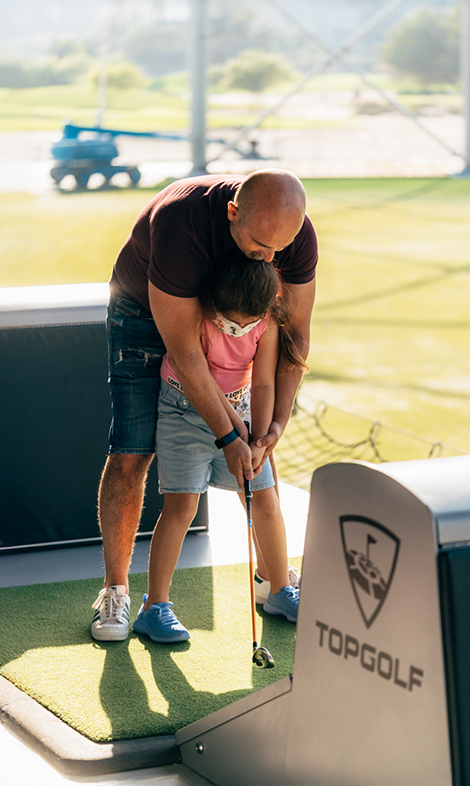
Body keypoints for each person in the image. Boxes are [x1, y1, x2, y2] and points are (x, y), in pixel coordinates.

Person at [91, 170, 317, 642]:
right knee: (132, 451)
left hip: (230, 316)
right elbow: (187, 357)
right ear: (233, 213)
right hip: (143, 311)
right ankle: (117, 591)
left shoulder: (290, 239)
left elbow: (294, 334)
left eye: (280, 248)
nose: (271, 257)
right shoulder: (183, 224)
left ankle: (274, 582)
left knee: (260, 472)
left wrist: (272, 429)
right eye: (260, 245)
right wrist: (231, 436)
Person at [133, 261, 307, 642]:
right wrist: (233, 435)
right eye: (230, 324)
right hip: (184, 409)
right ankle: (154, 607)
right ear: (215, 307)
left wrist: (260, 439)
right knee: (182, 506)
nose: (237, 330)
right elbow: (203, 383)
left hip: (240, 413)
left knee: (265, 499)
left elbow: (262, 384)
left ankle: (279, 589)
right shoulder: (199, 316)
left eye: (246, 325)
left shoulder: (266, 323)